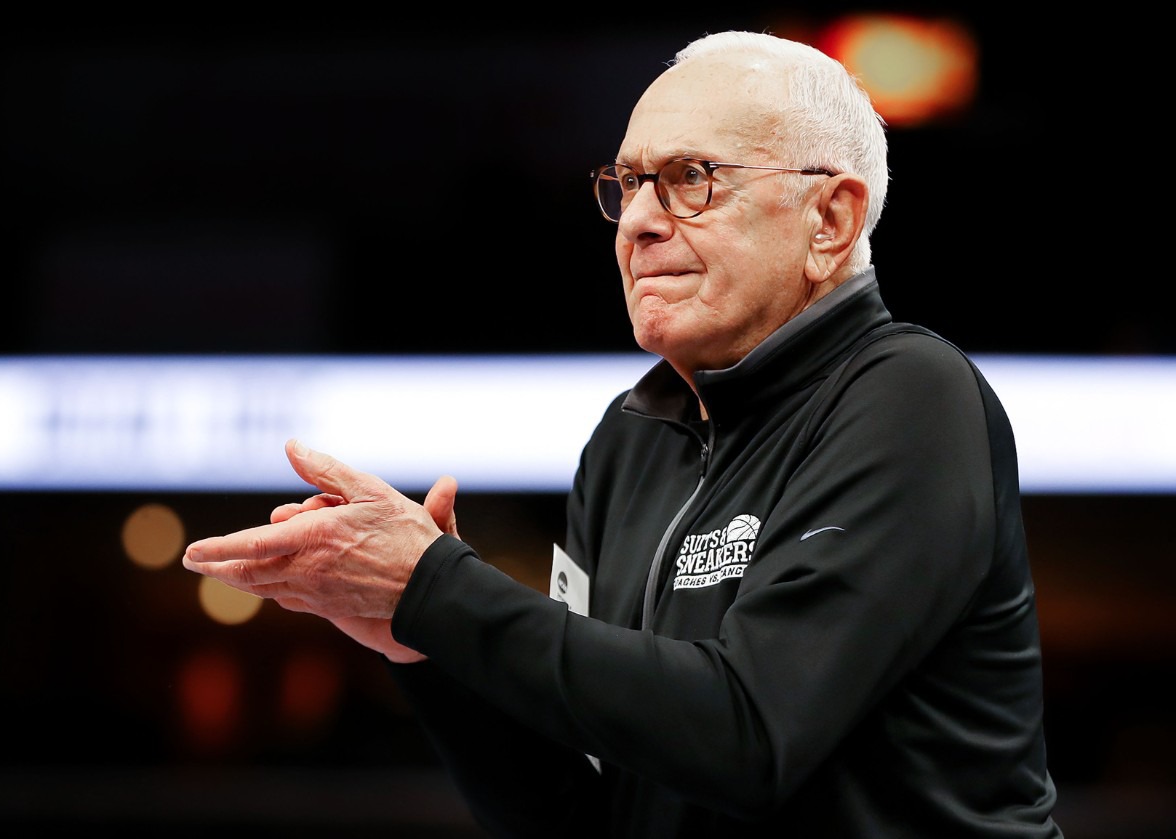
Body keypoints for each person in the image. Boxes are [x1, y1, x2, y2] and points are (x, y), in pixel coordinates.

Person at [182, 30, 1064, 837]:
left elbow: (751, 735)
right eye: (629, 183)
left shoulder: (910, 395)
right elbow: (575, 813)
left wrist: (439, 587)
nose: (639, 221)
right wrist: (423, 641)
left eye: (691, 179)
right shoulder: (630, 437)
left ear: (828, 219)